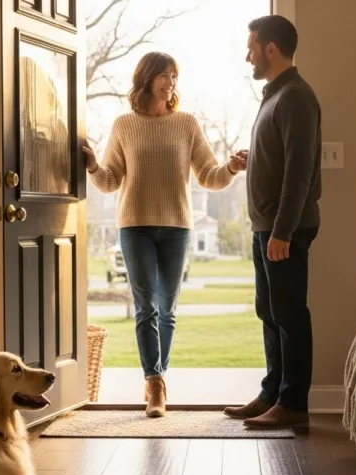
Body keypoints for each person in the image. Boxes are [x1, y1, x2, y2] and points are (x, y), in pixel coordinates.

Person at [83, 51, 245, 418]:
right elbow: (109, 180)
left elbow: (208, 175)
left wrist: (232, 167)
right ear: (147, 77)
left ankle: (159, 377)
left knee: (167, 309)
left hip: (176, 227)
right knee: (145, 306)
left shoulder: (186, 123)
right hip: (135, 225)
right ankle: (154, 382)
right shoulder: (125, 124)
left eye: (174, 75)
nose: (171, 82)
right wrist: (93, 164)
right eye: (164, 75)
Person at [224, 15, 322, 429]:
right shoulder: (274, 95)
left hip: (285, 229)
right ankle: (271, 392)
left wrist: (282, 232)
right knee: (269, 310)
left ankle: (292, 404)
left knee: (289, 314)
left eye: (252, 47)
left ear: (270, 49)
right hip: (266, 226)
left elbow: (300, 173)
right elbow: (281, 160)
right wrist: (256, 163)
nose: (248, 55)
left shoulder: (296, 96)